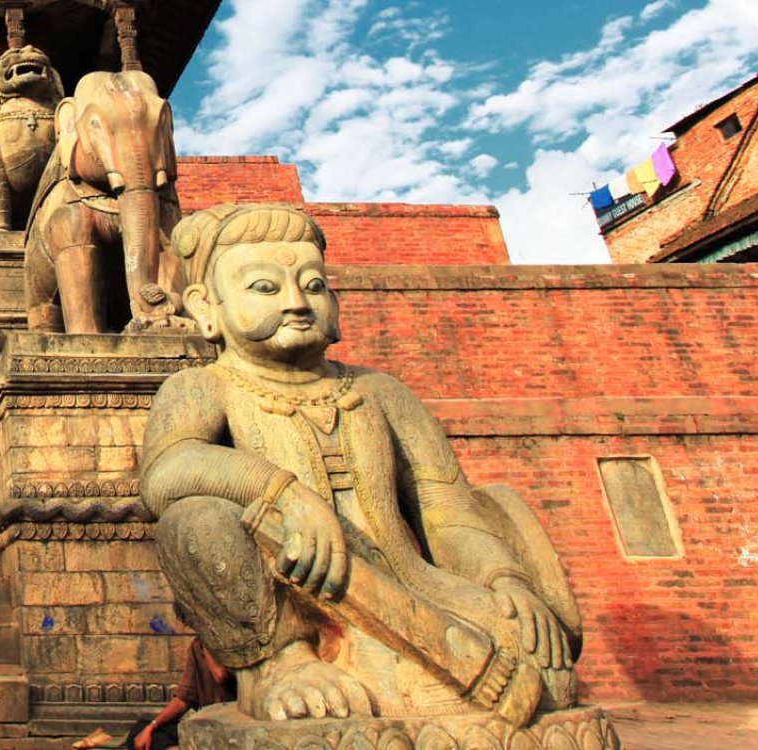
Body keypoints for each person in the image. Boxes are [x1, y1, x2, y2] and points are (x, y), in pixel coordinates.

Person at [139, 204, 580, 724]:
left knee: (545, 671)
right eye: (265, 288)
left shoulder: (380, 392)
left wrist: (505, 579)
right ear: (205, 306)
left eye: (313, 285)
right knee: (194, 519)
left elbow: (447, 511)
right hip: (293, 600)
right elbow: (166, 471)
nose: (296, 302)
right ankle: (279, 666)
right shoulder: (202, 387)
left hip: (411, 588)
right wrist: (282, 492)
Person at [123, 641, 235, 750]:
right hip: (205, 726)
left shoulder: (233, 644)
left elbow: (220, 675)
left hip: (231, 726)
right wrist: (152, 726)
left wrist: (208, 646)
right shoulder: (197, 645)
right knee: (140, 730)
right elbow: (184, 698)